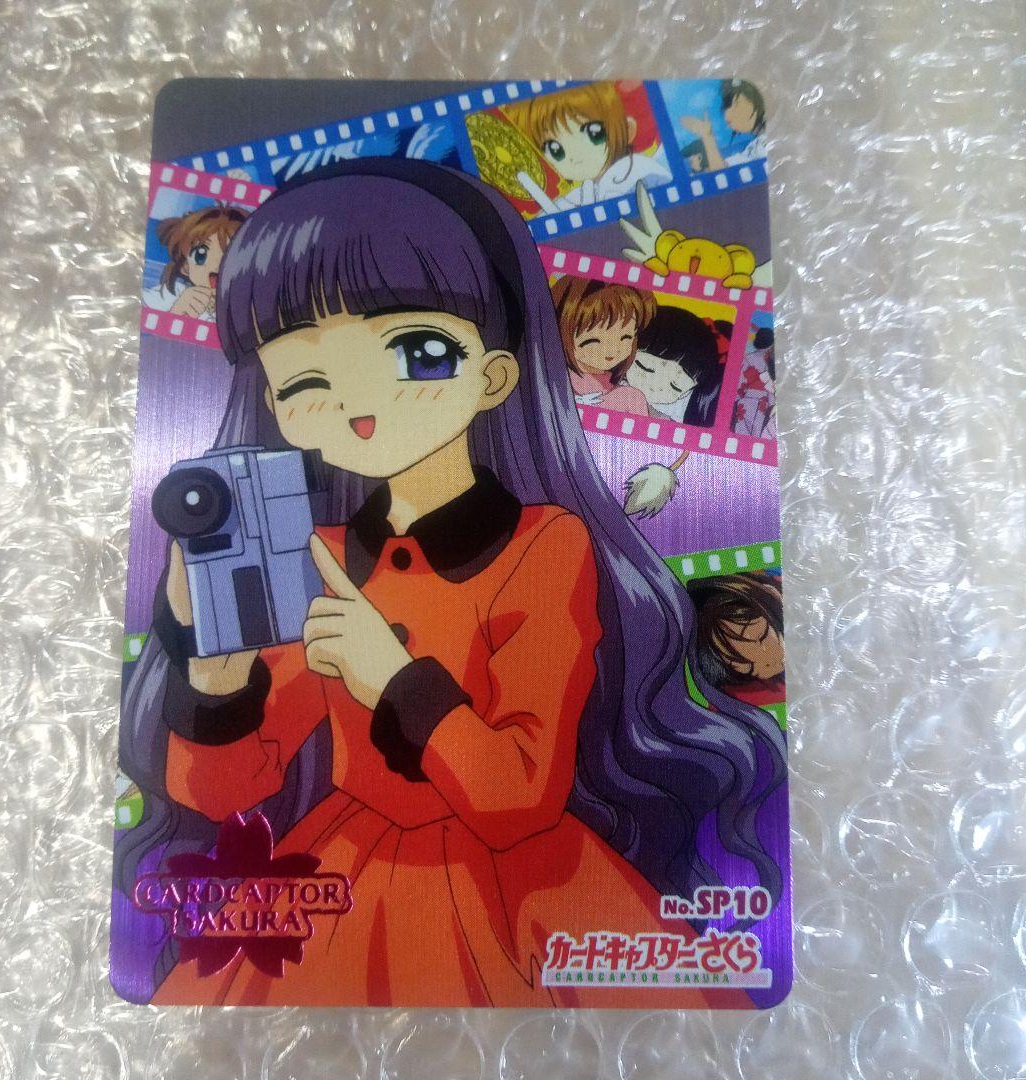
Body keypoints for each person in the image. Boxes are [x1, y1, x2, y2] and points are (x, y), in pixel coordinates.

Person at [115, 159, 786, 1008]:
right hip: (344, 875)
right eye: (307, 382)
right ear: (277, 406)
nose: (360, 406)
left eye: (417, 352)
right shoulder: (317, 552)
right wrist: (214, 675)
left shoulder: (544, 545)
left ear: (495, 374)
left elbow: (519, 793)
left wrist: (393, 679)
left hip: (523, 891)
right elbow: (227, 792)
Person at [506, 82, 673, 212]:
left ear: (627, 130)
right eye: (555, 150)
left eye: (594, 134)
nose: (575, 155)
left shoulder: (638, 172)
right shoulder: (579, 193)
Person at [551, 275, 655, 414]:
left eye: (625, 337)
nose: (612, 350)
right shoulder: (553, 384)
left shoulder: (630, 397)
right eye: (593, 340)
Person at [687, 572, 785, 707]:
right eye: (748, 666)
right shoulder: (737, 698)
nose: (766, 662)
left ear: (774, 595)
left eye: (761, 637)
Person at [625, 306, 728, 426]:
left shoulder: (681, 417)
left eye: (675, 386)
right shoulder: (612, 383)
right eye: (645, 368)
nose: (657, 385)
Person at [142, 205, 247, 320]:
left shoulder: (243, 311)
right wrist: (176, 312)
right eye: (201, 255)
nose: (216, 267)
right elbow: (138, 312)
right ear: (185, 266)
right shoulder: (174, 293)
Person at [680, 79, 767, 173]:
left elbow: (723, 173)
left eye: (736, 103)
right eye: (727, 105)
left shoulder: (763, 144)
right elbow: (723, 173)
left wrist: (707, 137)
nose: (727, 117)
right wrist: (707, 136)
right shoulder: (753, 148)